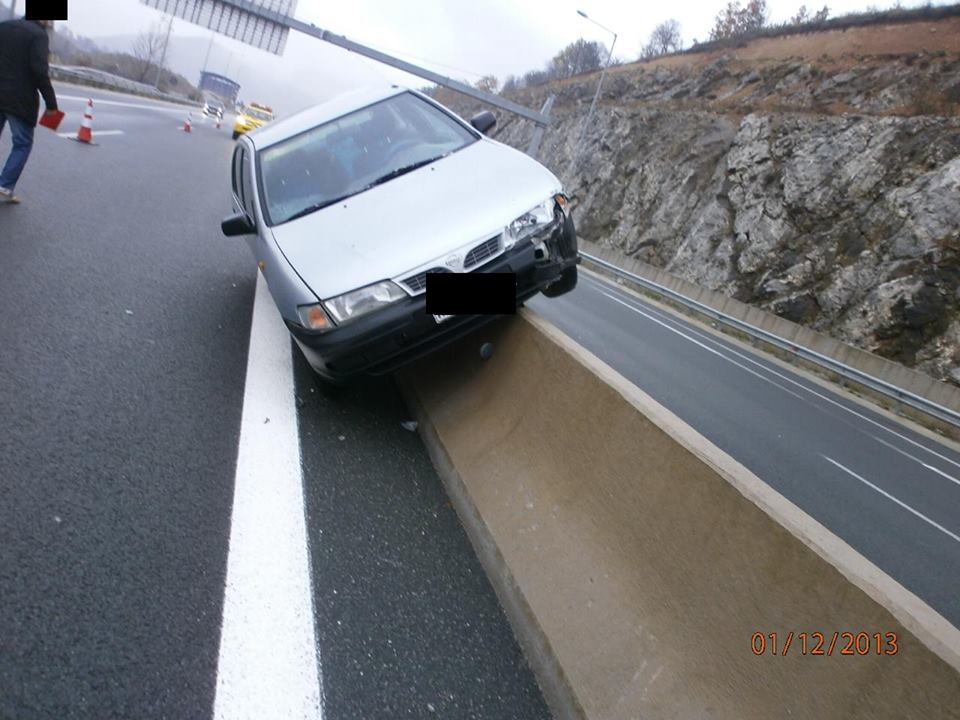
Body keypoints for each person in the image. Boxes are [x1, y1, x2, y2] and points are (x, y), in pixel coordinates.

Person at [0, 15, 59, 204]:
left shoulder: (5, 26)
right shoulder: (38, 35)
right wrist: (51, 104)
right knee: (23, 143)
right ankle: (5, 185)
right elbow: (39, 71)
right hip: (19, 99)